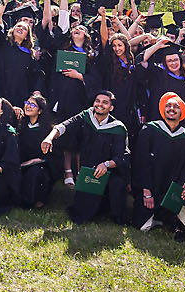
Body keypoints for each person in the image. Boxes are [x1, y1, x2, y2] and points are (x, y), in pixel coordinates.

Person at [40, 90, 130, 224]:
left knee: (117, 185)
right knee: (82, 210)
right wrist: (49, 138)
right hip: (89, 170)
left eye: (105, 103)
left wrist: (106, 165)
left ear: (111, 108)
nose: (100, 104)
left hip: (111, 171)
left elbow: (122, 156)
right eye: (97, 101)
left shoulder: (118, 128)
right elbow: (65, 125)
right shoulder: (86, 116)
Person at [135, 92, 185, 237]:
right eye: (168, 106)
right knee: (143, 226)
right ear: (163, 111)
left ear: (181, 112)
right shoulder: (149, 130)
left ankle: (178, 222)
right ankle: (159, 217)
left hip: (172, 191)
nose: (171, 109)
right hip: (150, 188)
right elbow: (141, 162)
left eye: (176, 106)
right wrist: (146, 191)